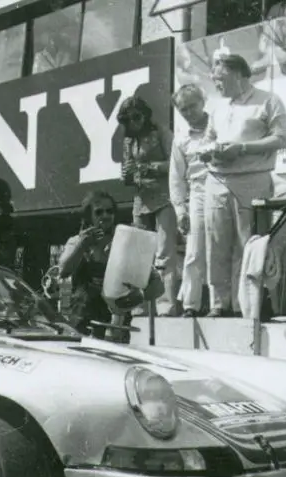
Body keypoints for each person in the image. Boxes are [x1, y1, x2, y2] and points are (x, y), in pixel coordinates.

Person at [201, 53, 286, 317]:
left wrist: (241, 148)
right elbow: (208, 138)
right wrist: (207, 151)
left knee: (248, 244)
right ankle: (218, 303)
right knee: (215, 244)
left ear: (239, 74)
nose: (218, 85)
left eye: (222, 79)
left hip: (252, 179)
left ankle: (245, 305)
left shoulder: (268, 101)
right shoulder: (217, 106)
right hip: (217, 179)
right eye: (215, 80)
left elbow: (282, 138)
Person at [58, 191, 162, 340]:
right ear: (89, 216)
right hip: (84, 322)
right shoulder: (77, 241)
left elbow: (157, 285)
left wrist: (140, 295)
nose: (105, 216)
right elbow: (63, 271)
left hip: (118, 325)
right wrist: (82, 247)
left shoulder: (125, 242)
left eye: (109, 211)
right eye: (99, 212)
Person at [119, 95, 179, 316]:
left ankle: (165, 305)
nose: (134, 122)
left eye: (137, 116)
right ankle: (139, 305)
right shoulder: (128, 142)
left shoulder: (161, 132)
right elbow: (127, 172)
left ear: (145, 115)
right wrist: (126, 175)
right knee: (137, 252)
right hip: (141, 199)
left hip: (164, 197)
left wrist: (151, 167)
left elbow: (176, 162)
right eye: (128, 118)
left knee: (164, 252)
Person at [170, 85, 211, 317]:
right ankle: (190, 305)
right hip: (198, 191)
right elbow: (176, 177)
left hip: (225, 185)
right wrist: (180, 210)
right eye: (183, 109)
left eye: (192, 106)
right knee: (194, 250)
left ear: (202, 102)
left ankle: (225, 305)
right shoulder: (181, 139)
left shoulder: (220, 126)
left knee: (224, 248)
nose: (188, 113)